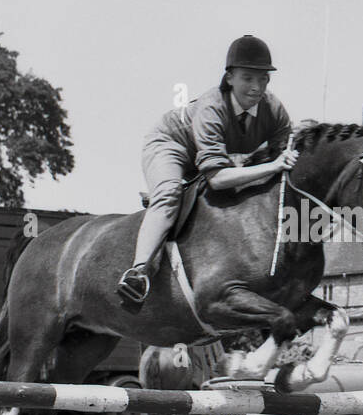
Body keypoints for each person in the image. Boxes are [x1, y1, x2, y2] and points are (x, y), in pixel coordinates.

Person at [116, 35, 299, 304]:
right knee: (169, 195)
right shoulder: (212, 106)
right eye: (248, 78)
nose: (257, 87)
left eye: (263, 79)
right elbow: (217, 178)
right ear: (229, 78)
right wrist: (272, 165)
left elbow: (282, 158)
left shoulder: (275, 111)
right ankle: (138, 272)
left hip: (213, 158)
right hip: (172, 146)